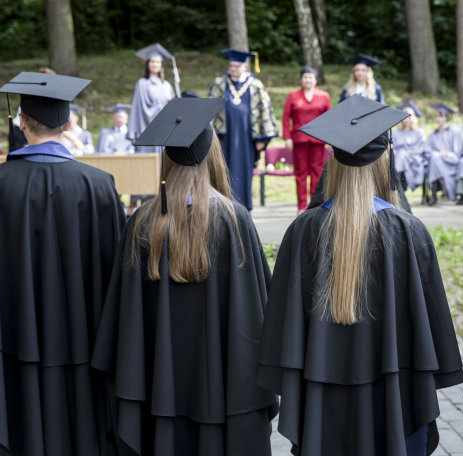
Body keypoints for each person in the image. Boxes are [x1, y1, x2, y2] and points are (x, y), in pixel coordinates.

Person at [257, 95, 463, 456]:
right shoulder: (408, 232)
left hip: (322, 407)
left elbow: (283, 330)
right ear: (386, 160)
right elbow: (427, 329)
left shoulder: (303, 231)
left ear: (332, 163)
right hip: (393, 402)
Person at [91, 97, 278, 455]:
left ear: (167, 159)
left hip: (159, 396)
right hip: (225, 394)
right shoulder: (235, 221)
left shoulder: (142, 222)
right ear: (213, 156)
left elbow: (124, 324)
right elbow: (259, 316)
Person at [0, 71, 126, 455]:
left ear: (20, 122)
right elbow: (117, 274)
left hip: (11, 341)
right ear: (69, 124)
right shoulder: (98, 184)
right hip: (84, 340)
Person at [208, 49, 278, 211]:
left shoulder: (256, 85)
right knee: (223, 169)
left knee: (244, 172)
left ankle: (244, 209)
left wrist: (262, 138)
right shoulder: (220, 83)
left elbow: (265, 111)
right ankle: (224, 206)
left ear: (245, 66)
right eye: (231, 66)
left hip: (247, 137)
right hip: (224, 136)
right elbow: (210, 108)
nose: (233, 69)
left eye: (237, 66)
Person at [282, 66, 332, 213]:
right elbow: (285, 118)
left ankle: (314, 205)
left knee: (317, 172)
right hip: (299, 140)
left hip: (318, 140)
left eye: (311, 77)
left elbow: (329, 118)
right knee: (300, 173)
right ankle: (301, 206)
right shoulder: (293, 96)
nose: (308, 80)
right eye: (305, 77)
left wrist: (329, 138)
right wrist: (287, 137)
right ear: (301, 79)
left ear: (316, 80)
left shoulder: (324, 96)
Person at [127, 43, 176, 153]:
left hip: (165, 130)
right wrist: (162, 107)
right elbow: (142, 110)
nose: (154, 64)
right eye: (152, 61)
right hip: (147, 128)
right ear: (147, 64)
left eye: (157, 62)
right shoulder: (143, 84)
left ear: (161, 65)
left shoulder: (167, 85)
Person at [426, 102, 463, 205]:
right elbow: (428, 151)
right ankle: (443, 183)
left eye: (441, 116)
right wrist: (439, 153)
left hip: (450, 162)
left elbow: (457, 152)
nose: (438, 119)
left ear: (446, 117)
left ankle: (434, 194)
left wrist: (448, 154)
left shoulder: (454, 131)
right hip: (436, 161)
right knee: (434, 157)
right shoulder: (432, 135)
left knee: (435, 157)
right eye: (437, 116)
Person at [393, 100, 428, 191]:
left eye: (408, 117)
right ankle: (400, 187)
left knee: (402, 155)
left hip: (414, 159)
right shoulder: (395, 133)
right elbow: (392, 149)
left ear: (413, 118)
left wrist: (405, 153)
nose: (406, 120)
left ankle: (398, 186)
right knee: (401, 155)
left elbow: (420, 149)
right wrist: (401, 153)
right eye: (404, 117)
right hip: (398, 158)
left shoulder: (418, 132)